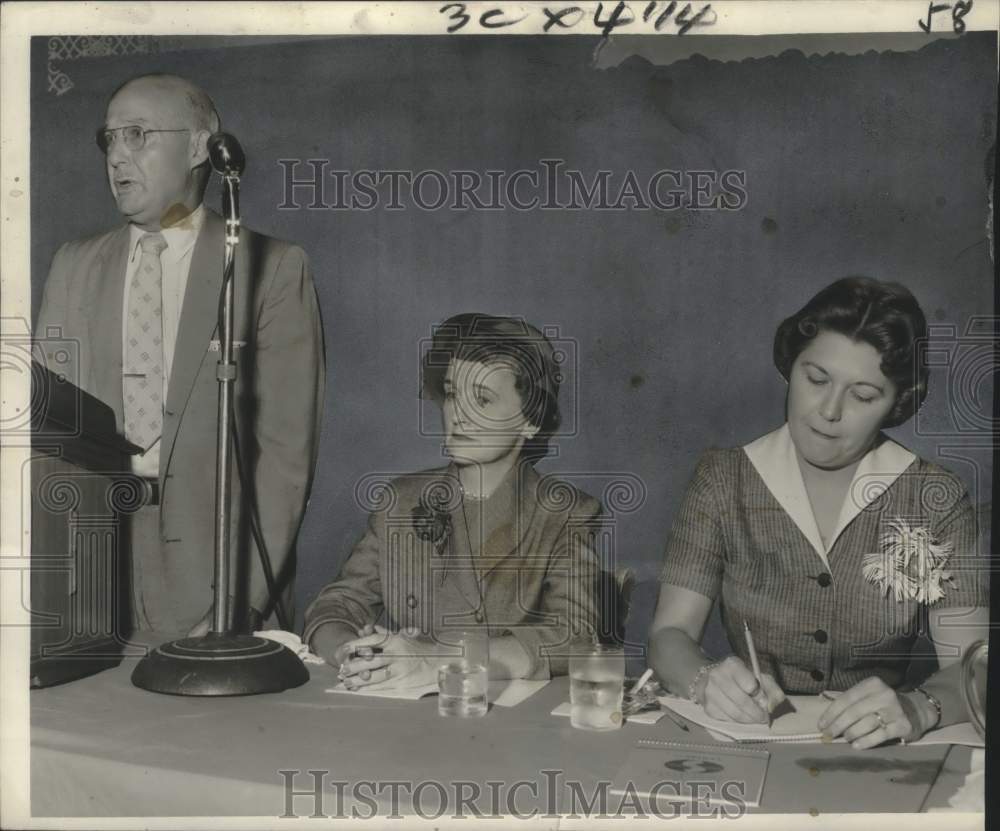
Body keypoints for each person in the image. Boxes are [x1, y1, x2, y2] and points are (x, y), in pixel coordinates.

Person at [35, 74, 325, 636]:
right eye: (109, 140)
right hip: (91, 573)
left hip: (216, 578)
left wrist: (239, 604)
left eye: (137, 135)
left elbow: (287, 457)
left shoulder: (272, 267)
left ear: (200, 148)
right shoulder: (72, 265)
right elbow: (48, 438)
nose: (117, 156)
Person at [648, 277, 988, 749]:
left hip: (881, 748)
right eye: (816, 379)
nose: (829, 411)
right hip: (750, 738)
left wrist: (917, 706)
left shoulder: (937, 497)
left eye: (864, 395)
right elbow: (669, 634)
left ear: (897, 403)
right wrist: (705, 678)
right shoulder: (723, 480)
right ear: (790, 369)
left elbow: (977, 666)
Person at [303, 313, 602, 687]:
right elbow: (336, 605)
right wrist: (350, 651)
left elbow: (575, 637)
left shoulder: (565, 513)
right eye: (451, 393)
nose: (458, 414)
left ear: (530, 420)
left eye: (482, 399)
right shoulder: (400, 500)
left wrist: (436, 659)